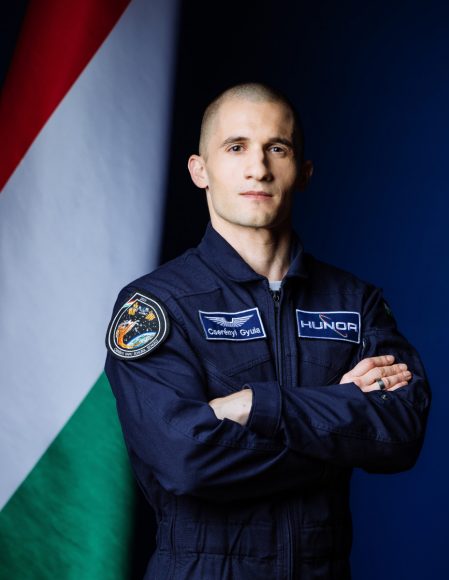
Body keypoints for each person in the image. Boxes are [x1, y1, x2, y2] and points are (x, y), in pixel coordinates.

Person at [105, 82, 431, 580]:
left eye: (277, 148)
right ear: (200, 170)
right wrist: (336, 426)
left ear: (304, 172)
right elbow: (185, 460)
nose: (258, 168)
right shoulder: (156, 306)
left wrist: (253, 406)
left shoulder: (355, 302)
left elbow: (401, 433)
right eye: (236, 147)